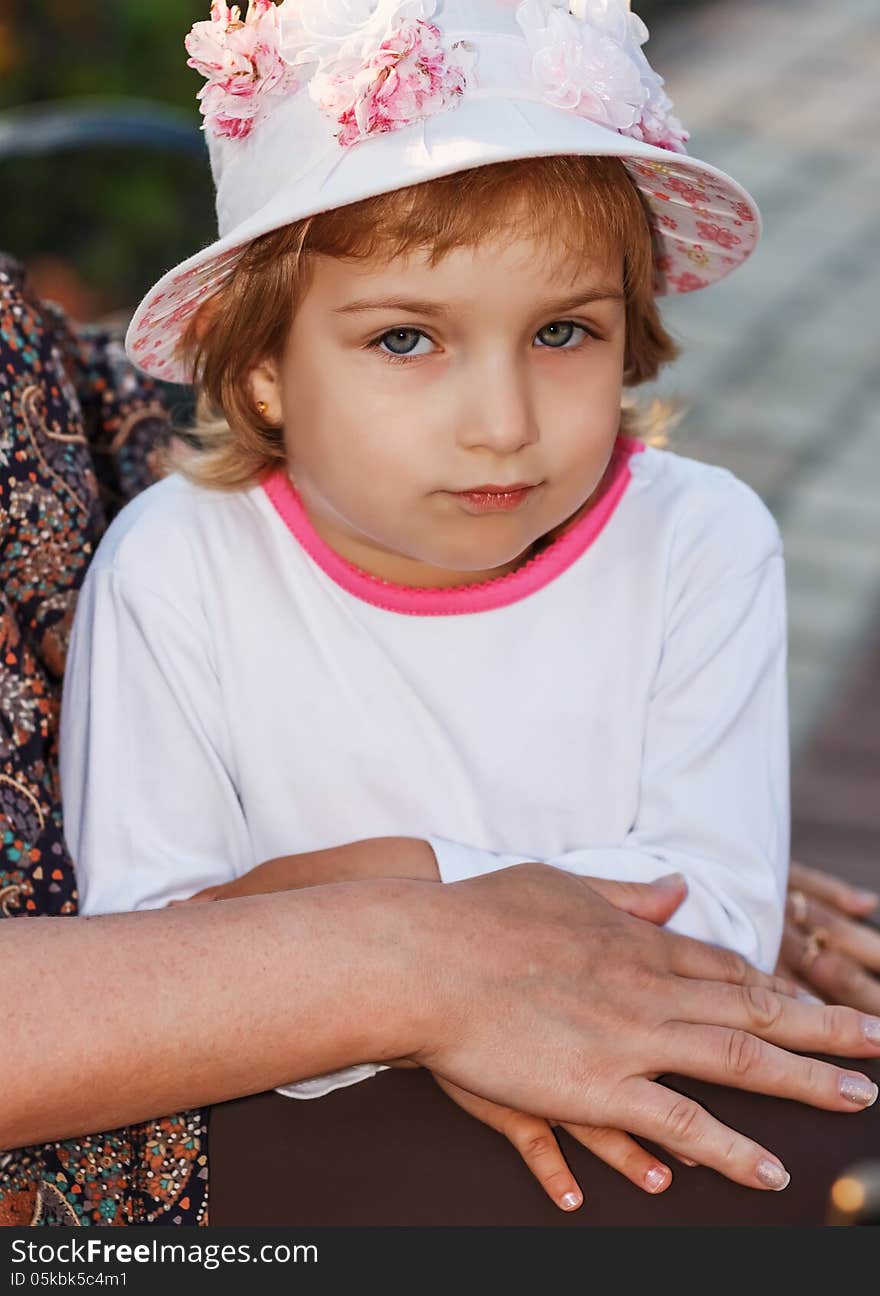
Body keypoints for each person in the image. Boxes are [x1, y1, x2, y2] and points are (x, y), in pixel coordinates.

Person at [55, 0, 880, 1223]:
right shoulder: (174, 570)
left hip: (616, 1076)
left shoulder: (698, 542)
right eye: (406, 339)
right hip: (292, 1122)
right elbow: (147, 958)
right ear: (266, 362)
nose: (501, 421)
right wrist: (434, 923)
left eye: (561, 332)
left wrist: (362, 886)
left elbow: (717, 919)